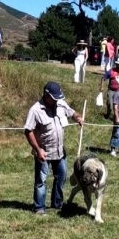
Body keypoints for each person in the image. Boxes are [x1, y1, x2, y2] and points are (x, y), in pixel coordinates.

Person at [24, 82, 83, 215]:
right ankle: (39, 207)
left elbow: (72, 112)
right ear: (46, 95)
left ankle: (57, 203)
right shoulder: (36, 110)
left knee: (61, 177)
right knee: (41, 180)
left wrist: (78, 117)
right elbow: (28, 132)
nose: (57, 100)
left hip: (60, 151)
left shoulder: (60, 104)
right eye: (54, 98)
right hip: (43, 152)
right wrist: (38, 150)